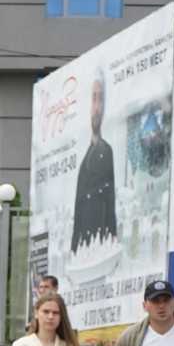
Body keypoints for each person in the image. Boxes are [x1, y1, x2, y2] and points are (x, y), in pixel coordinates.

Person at [72, 75, 118, 251]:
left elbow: (110, 202)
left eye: (101, 99)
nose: (97, 108)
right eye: (94, 99)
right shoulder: (87, 155)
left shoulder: (106, 151)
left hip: (98, 248)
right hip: (83, 252)